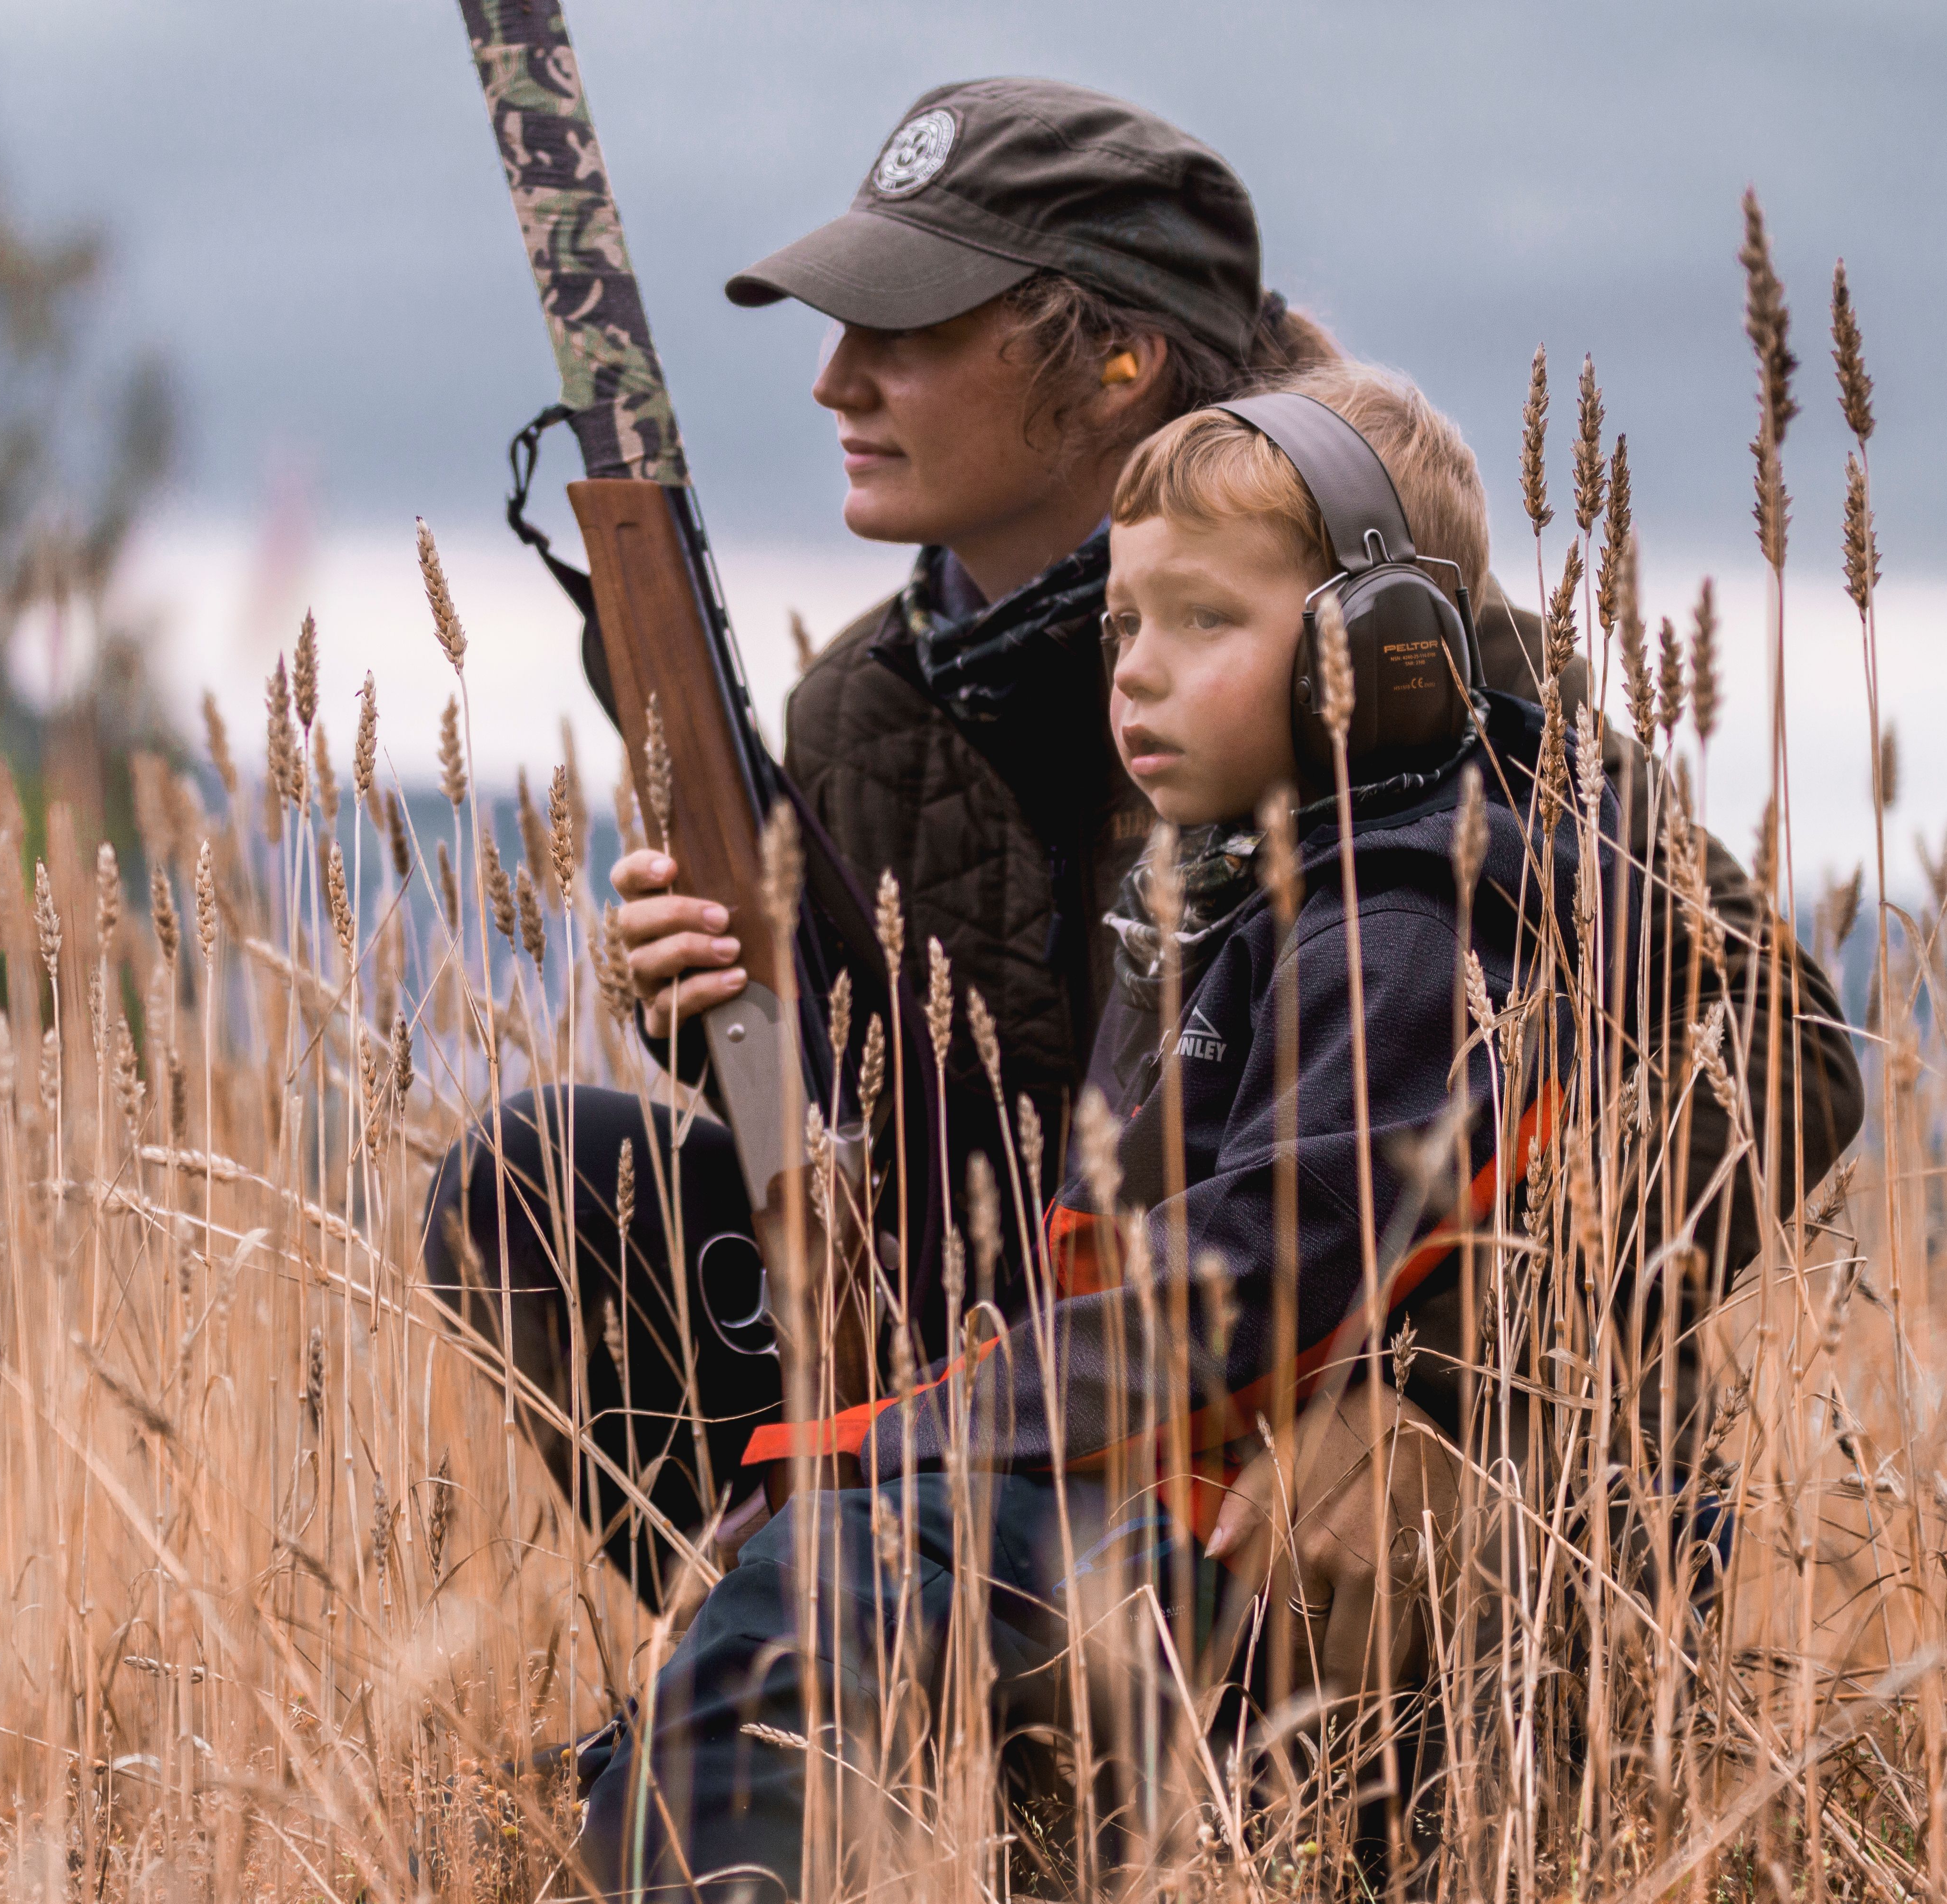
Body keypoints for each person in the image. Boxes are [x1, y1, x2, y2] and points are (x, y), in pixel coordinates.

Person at [425, 76, 1855, 1680]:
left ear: (1118, 362)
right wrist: (736, 1022)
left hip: (1361, 1454)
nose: (836, 381)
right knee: (547, 1175)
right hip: (1064, 1408)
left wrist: (1440, 1392)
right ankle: (812, 1723)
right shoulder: (865, 714)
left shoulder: (1412, 667)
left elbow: (1777, 1050)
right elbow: (941, 1175)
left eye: (905, 330)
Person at [569, 361, 1861, 1901]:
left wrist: (882, 1446)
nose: (1135, 672)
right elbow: (944, 1130)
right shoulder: (1213, 879)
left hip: (1268, 1524)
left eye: (1202, 624)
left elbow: (1241, 1285)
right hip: (1150, 1470)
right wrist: (709, 999)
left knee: (831, 1590)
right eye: (1123, 626)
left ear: (1375, 659)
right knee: (814, 1602)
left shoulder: (1394, 925)